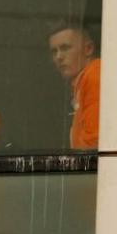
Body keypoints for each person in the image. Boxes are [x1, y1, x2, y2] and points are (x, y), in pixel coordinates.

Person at [48, 21, 100, 149]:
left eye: (65, 48)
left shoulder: (94, 75)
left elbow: (93, 145)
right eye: (54, 51)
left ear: (88, 49)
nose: (59, 57)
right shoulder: (82, 81)